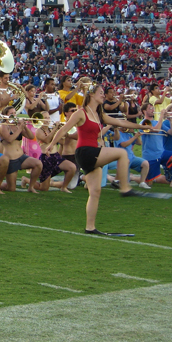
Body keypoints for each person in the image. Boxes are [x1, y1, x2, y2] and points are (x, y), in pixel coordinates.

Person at [45, 84, 147, 235]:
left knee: (95, 192)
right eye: (100, 93)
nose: (103, 95)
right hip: (86, 151)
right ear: (91, 95)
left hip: (92, 152)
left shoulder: (99, 115)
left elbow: (121, 123)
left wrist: (143, 126)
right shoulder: (81, 113)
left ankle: (90, 227)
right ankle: (125, 188)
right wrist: (52, 144)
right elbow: (64, 129)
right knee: (122, 153)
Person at [137, 103, 172, 187]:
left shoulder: (157, 122)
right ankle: (133, 177)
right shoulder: (144, 122)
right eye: (150, 108)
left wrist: (170, 119)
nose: (153, 110)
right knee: (149, 182)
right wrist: (161, 117)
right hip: (151, 155)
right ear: (144, 111)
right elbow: (156, 129)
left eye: (153, 108)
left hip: (162, 152)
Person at [0, 106, 43, 193]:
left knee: (38, 164)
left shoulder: (16, 125)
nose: (14, 115)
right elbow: (9, 139)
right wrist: (20, 129)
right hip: (11, 160)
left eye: (15, 113)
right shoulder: (3, 126)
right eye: (11, 114)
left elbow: (31, 136)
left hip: (21, 157)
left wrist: (25, 127)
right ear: (5, 115)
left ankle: (31, 187)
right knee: (11, 189)